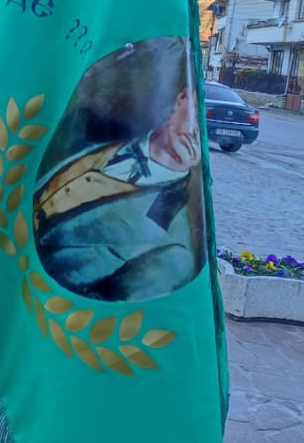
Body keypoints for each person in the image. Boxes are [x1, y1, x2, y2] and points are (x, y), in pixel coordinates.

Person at [32, 37, 205, 303]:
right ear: (180, 99)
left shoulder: (176, 251)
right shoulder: (93, 135)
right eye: (197, 114)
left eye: (206, 125)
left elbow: (102, 314)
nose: (196, 135)